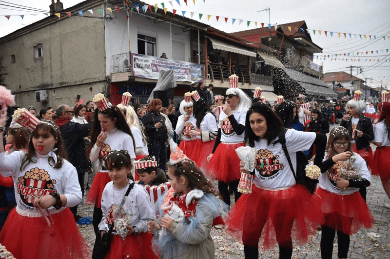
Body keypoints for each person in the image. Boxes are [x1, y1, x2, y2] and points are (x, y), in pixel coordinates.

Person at [226, 103, 327, 259]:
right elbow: (258, 171)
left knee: (283, 238)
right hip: (258, 195)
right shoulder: (251, 140)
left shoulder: (287, 136)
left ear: (268, 120)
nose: (255, 126)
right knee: (249, 237)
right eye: (252, 122)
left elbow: (321, 139)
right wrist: (249, 169)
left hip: (284, 196)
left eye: (259, 121)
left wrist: (316, 169)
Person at [0, 121, 89, 259]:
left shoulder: (65, 166)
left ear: (56, 139)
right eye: (36, 136)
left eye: (45, 136)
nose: (40, 140)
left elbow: (76, 196)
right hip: (22, 222)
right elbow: (2, 165)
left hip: (53, 224)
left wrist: (55, 198)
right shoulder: (20, 158)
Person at [148, 144, 227, 259]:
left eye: (171, 178)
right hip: (177, 252)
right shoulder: (175, 196)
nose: (169, 182)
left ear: (182, 180)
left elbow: (199, 234)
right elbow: (172, 218)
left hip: (194, 254)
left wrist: (173, 227)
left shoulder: (202, 203)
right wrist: (159, 225)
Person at [310, 126, 373, 259]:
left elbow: (367, 180)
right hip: (328, 199)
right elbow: (315, 172)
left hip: (349, 200)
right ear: (331, 142)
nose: (342, 146)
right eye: (338, 143)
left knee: (344, 234)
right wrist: (334, 159)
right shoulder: (324, 156)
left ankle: (342, 256)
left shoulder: (355, 158)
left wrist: (349, 183)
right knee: (327, 234)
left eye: (345, 143)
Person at [86, 101, 136, 250]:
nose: (102, 125)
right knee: (99, 217)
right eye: (100, 121)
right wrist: (98, 144)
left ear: (114, 120)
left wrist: (132, 185)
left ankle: (117, 246)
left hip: (120, 179)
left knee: (118, 214)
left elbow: (131, 162)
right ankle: (103, 243)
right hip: (102, 178)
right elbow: (93, 159)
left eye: (105, 122)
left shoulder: (125, 137)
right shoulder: (101, 135)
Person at [98, 150, 157, 259]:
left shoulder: (138, 192)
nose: (114, 174)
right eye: (110, 169)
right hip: (114, 241)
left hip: (135, 241)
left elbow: (149, 219)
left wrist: (135, 229)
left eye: (119, 169)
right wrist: (103, 229)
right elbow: (105, 213)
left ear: (129, 169)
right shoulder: (107, 188)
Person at [207, 85, 251, 206]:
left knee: (236, 185)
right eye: (227, 96)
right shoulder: (222, 112)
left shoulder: (243, 111)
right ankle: (226, 209)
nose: (227, 98)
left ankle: (237, 211)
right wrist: (213, 152)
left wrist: (230, 115)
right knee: (221, 184)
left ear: (238, 98)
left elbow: (239, 130)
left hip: (237, 149)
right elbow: (220, 134)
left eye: (230, 96)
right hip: (223, 149)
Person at [55, 104, 91, 220]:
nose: (72, 113)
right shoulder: (71, 127)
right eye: (70, 111)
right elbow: (88, 129)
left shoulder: (55, 127)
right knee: (76, 190)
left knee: (63, 189)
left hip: (61, 162)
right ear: (64, 114)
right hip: (75, 162)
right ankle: (71, 216)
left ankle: (68, 214)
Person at [340, 99, 374, 200]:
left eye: (351, 108)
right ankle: (350, 196)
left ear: (357, 109)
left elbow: (371, 137)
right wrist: (343, 121)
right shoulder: (347, 119)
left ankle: (362, 198)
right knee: (348, 173)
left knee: (360, 175)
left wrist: (362, 134)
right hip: (349, 149)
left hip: (361, 149)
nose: (349, 110)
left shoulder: (366, 120)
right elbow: (339, 133)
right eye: (348, 107)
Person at [0, 123, 28, 231]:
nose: (6, 136)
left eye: (8, 134)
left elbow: (10, 179)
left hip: (13, 192)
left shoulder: (20, 154)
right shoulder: (9, 150)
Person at [190, 92, 218, 172]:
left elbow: (215, 133)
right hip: (199, 144)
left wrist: (199, 133)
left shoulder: (208, 116)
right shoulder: (201, 116)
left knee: (205, 170)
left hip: (208, 146)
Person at [372, 102, 390, 208]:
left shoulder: (380, 125)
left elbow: (378, 143)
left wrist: (370, 140)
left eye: (379, 109)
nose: (377, 111)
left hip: (384, 153)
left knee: (385, 180)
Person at [142, 99, 168, 171]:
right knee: (154, 159)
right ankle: (154, 174)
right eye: (157, 105)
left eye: (161, 104)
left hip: (163, 141)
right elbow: (143, 128)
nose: (160, 106)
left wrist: (167, 139)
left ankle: (162, 174)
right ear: (153, 106)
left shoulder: (162, 116)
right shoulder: (148, 116)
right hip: (154, 141)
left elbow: (165, 128)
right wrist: (154, 127)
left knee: (163, 159)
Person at [175, 95, 197, 161]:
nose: (190, 109)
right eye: (187, 108)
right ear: (183, 109)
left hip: (195, 144)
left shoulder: (196, 117)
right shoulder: (181, 117)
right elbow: (177, 132)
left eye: (191, 107)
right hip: (184, 144)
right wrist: (183, 121)